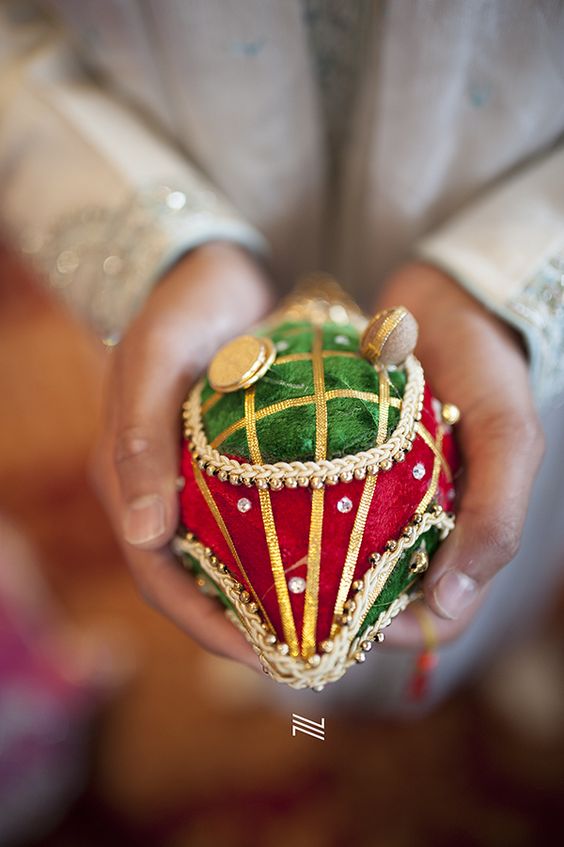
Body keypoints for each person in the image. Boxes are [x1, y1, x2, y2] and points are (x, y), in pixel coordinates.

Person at [1, 0, 563, 710]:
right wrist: (158, 247)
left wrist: (507, 282)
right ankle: (287, 681)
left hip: (496, 197)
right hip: (177, 201)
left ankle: (493, 650)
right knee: (232, 536)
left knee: (500, 506)